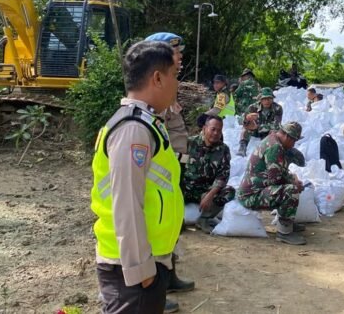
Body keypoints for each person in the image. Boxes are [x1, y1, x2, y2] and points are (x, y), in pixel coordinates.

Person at [90, 40, 185, 314]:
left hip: (143, 261)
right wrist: (141, 268)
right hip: (132, 269)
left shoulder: (146, 123)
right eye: (174, 75)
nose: (177, 84)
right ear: (157, 78)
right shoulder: (133, 129)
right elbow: (127, 203)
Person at [143, 32, 195, 295]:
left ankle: (169, 275)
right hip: (160, 170)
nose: (181, 55)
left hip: (175, 166)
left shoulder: (170, 84)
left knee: (173, 224)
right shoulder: (155, 87)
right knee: (158, 223)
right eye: (176, 50)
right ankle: (156, 288)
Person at [237, 122, 307, 245]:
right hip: (251, 195)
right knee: (291, 190)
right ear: (287, 137)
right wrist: (294, 181)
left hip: (255, 190)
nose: (293, 144)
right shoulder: (275, 147)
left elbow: (277, 172)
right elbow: (275, 179)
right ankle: (284, 232)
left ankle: (287, 222)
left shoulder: (272, 139)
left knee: (289, 186)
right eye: (294, 141)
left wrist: (290, 177)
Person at [181, 116, 235, 233]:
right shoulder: (189, 143)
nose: (216, 133)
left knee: (229, 191)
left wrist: (210, 195)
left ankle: (204, 219)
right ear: (205, 128)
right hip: (185, 188)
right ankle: (178, 219)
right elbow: (177, 167)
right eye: (213, 129)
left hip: (205, 191)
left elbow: (223, 175)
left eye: (219, 130)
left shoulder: (223, 149)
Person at [237, 87, 283, 157]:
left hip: (267, 132)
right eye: (264, 99)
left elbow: (276, 125)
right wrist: (246, 118)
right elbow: (239, 120)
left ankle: (269, 151)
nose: (267, 101)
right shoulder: (253, 107)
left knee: (275, 132)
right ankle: (242, 147)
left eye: (269, 98)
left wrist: (258, 127)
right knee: (246, 127)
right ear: (260, 99)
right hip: (254, 131)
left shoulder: (277, 108)